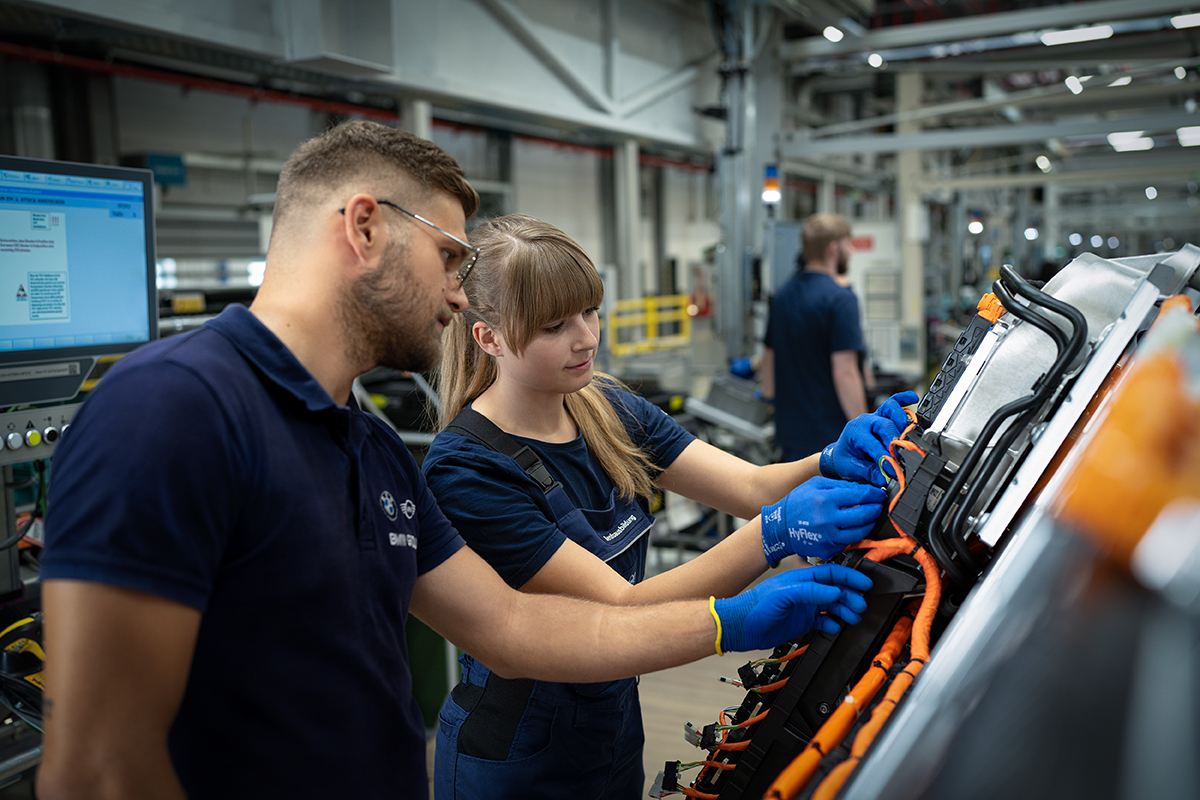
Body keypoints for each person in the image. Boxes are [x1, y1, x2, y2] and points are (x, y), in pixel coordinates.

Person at [35, 122, 881, 800]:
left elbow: (513, 630)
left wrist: (726, 623)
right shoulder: (174, 408)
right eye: (447, 256)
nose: (456, 288)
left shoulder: (370, 450)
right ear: (364, 226)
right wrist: (758, 554)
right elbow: (99, 769)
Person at [423, 214, 918, 799]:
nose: (586, 338)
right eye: (555, 325)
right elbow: (620, 609)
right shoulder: (468, 469)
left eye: (590, 311)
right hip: (516, 755)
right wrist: (772, 535)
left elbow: (751, 486)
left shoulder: (606, 408)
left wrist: (829, 459)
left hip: (611, 726)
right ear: (489, 338)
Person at [762, 213, 874, 462]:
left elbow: (767, 363)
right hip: (830, 441)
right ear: (833, 249)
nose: (851, 251)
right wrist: (862, 433)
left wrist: (772, 400)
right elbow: (845, 374)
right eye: (848, 245)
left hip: (790, 437)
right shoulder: (840, 298)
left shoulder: (782, 295)